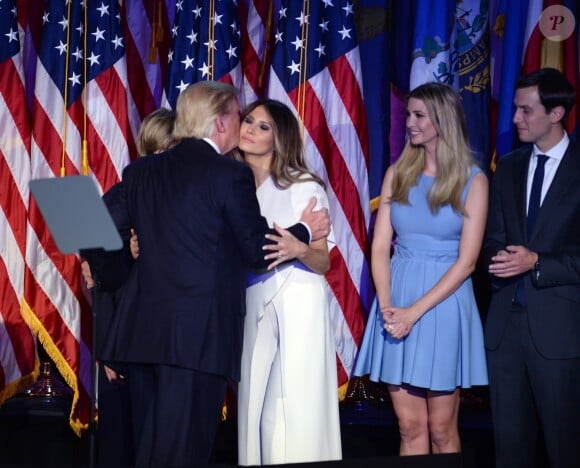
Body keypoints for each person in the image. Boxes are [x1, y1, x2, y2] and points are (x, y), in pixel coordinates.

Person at [101, 81, 331, 467]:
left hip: (141, 339)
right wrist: (305, 231)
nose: (242, 125)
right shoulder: (228, 175)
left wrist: (112, 272)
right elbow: (258, 252)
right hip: (196, 342)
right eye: (239, 116)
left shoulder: (141, 171)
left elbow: (101, 225)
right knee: (182, 454)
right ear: (221, 122)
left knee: (148, 451)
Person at [353, 82, 488, 455]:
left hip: (443, 305)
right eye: (408, 114)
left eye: (418, 115)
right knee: (409, 427)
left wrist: (414, 311)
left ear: (443, 121)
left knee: (443, 430)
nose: (409, 122)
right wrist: (387, 308)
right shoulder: (398, 174)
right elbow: (379, 248)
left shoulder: (473, 180)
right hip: (396, 300)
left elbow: (468, 262)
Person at [234, 99, 342, 465]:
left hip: (298, 296)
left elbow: (323, 260)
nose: (249, 129)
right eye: (248, 120)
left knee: (288, 407)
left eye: (263, 126)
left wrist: (298, 248)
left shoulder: (303, 187)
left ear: (280, 139)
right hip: (251, 295)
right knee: (250, 403)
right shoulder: (233, 187)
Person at [484, 67, 580, 468]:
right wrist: (500, 260)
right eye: (515, 109)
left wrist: (537, 262)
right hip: (505, 329)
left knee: (565, 447)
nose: (515, 119)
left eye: (526, 110)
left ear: (556, 114)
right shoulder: (507, 166)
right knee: (509, 449)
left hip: (560, 332)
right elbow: (493, 238)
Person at [80, 107, 177, 466]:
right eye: (155, 152)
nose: (161, 160)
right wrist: (108, 351)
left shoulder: (186, 200)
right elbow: (104, 286)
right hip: (123, 343)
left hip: (167, 348)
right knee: (122, 440)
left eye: (170, 151)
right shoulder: (121, 198)